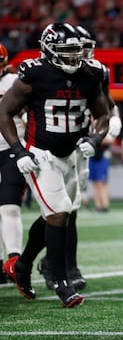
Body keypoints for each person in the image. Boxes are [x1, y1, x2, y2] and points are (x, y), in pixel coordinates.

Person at [0, 22, 110, 307]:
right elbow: (4, 112)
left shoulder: (90, 74)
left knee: (58, 213)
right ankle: (60, 280)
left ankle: (22, 266)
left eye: (76, 51)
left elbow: (103, 113)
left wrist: (96, 139)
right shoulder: (33, 74)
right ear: (49, 50)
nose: (74, 58)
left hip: (71, 154)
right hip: (41, 155)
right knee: (59, 212)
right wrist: (19, 150)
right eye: (66, 52)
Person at [36, 24, 122, 291]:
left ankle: (63, 265)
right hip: (49, 146)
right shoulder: (46, 72)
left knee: (71, 209)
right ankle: (54, 263)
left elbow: (105, 102)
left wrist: (114, 119)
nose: (80, 53)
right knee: (59, 209)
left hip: (81, 144)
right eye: (74, 48)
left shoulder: (95, 72)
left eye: (83, 47)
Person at [0, 43, 26, 286]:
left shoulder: (15, 81)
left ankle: (14, 260)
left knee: (9, 207)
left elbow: (30, 114)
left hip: (11, 149)